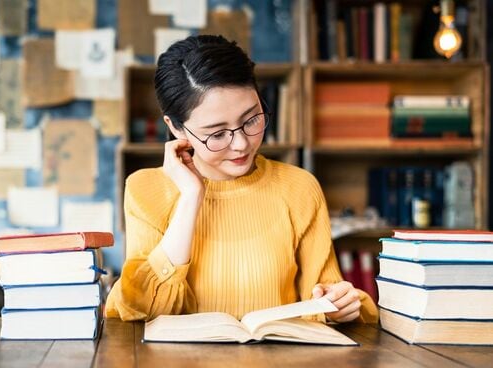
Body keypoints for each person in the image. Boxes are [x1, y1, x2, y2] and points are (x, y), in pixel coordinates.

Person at [105, 35, 378, 324]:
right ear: (176, 128)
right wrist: (191, 198)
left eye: (251, 120)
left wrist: (338, 305)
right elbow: (144, 309)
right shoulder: (145, 190)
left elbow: (323, 296)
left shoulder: (299, 188)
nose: (241, 144)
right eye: (217, 133)